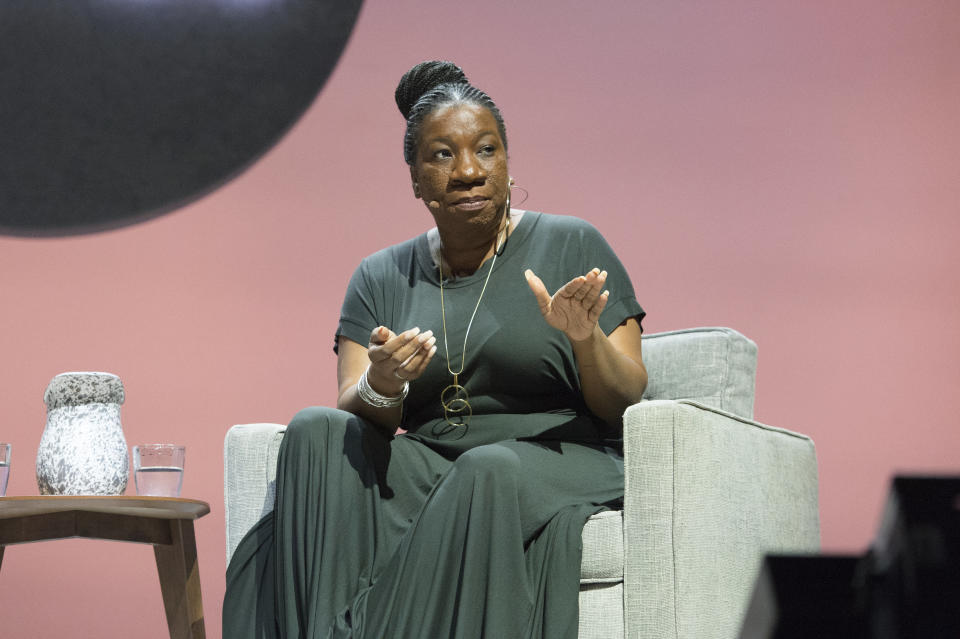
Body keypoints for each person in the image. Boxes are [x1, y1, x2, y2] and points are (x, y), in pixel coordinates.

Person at [223, 60, 647, 639]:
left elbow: (625, 399)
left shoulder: (571, 241)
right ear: (416, 179)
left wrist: (584, 337)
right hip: (434, 464)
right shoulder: (379, 276)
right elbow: (358, 410)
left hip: (561, 457)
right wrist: (384, 384)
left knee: (487, 468)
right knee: (313, 430)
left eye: (486, 150)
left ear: (508, 161)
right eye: (442, 155)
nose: (468, 171)